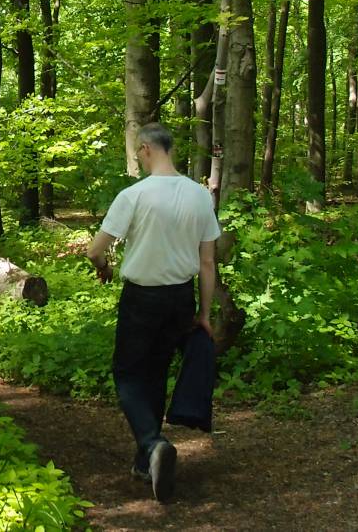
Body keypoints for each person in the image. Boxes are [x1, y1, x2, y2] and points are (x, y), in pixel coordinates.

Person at [85, 122, 220, 503]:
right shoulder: (199, 196)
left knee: (128, 373)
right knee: (157, 373)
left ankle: (151, 441)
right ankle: (146, 463)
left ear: (146, 149)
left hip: (142, 297)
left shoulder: (135, 195)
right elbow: (207, 262)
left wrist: (103, 268)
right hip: (180, 298)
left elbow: (96, 250)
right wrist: (205, 314)